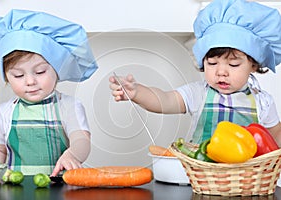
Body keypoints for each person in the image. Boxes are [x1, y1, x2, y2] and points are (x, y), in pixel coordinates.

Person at [109, 0, 281, 145]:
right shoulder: (198, 93)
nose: (221, 72)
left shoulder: (263, 102)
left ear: (253, 65)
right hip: (200, 176)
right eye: (212, 63)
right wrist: (137, 92)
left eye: (233, 64)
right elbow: (164, 100)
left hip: (245, 178)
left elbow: (275, 138)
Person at [0, 9, 98, 176]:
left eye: (40, 72)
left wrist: (72, 155)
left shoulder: (68, 106)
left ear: (56, 70)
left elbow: (81, 139)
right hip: (16, 188)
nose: (30, 81)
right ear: (7, 77)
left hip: (59, 186)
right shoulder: (5, 111)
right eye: (18, 75)